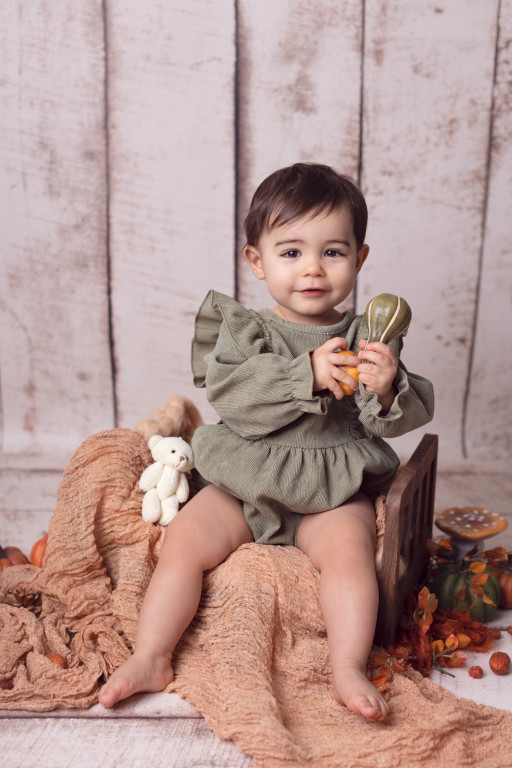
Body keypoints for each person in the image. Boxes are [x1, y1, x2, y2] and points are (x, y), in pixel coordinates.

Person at [99, 163, 434, 721]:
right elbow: (232, 396)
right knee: (183, 544)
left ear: (360, 258)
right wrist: (304, 372)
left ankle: (347, 665)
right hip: (244, 481)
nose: (313, 268)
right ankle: (152, 654)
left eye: (333, 252)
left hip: (330, 486)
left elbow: (393, 423)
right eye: (291, 251)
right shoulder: (245, 331)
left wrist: (386, 384)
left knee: (351, 558)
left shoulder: (364, 337)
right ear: (256, 260)